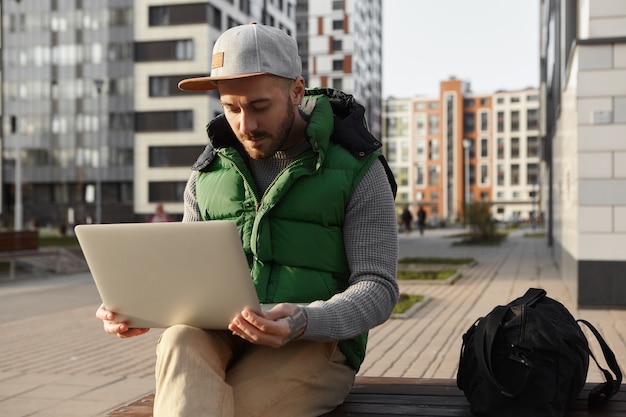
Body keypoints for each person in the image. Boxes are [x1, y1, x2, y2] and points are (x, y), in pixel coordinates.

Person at [96, 23, 399, 417]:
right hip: (220, 333)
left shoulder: (358, 169)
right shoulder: (206, 173)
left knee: (232, 408)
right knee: (178, 340)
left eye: (259, 106)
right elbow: (189, 279)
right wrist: (141, 308)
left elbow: (378, 288)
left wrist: (305, 320)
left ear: (296, 91)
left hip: (314, 342)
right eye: (231, 108)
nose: (245, 125)